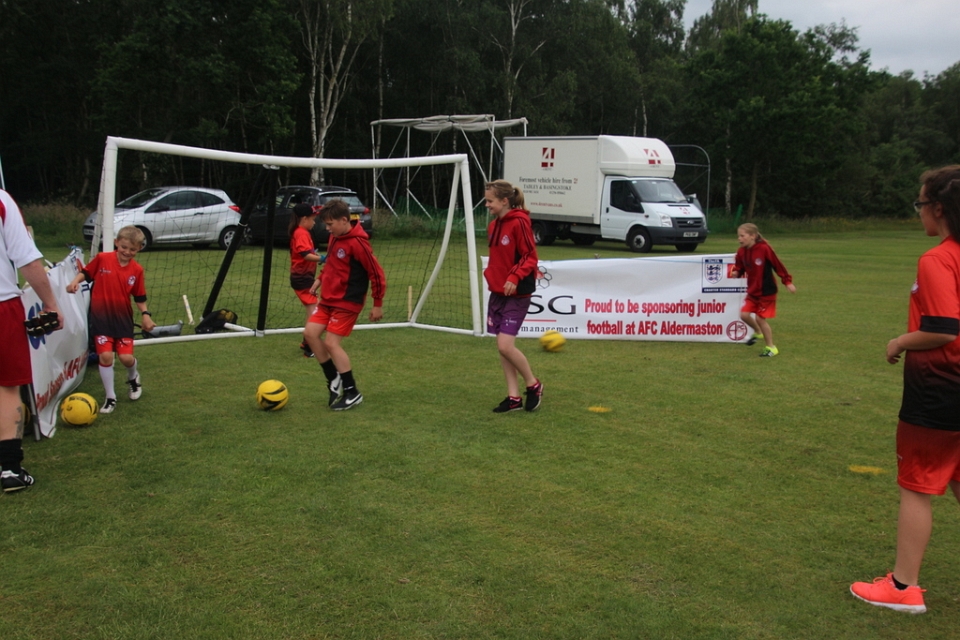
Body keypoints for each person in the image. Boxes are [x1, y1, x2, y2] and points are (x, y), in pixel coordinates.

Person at [850, 165, 960, 614]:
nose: (919, 212)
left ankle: (902, 587)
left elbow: (942, 328)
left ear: (940, 208)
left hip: (939, 391)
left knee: (917, 486)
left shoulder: (938, 259)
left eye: (921, 204)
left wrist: (899, 341)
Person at [0, 189, 63, 492]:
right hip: (2, 305)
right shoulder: (2, 200)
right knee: (6, 387)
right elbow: (27, 259)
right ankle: (10, 469)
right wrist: (51, 304)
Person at [303, 200, 386, 411]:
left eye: (330, 224)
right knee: (310, 334)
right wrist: (320, 279)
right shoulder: (335, 237)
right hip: (329, 299)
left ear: (343, 220)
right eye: (325, 224)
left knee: (331, 343)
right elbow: (332, 263)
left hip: (347, 302)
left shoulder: (358, 244)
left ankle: (352, 392)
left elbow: (377, 274)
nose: (327, 229)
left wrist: (377, 304)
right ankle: (333, 377)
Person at [67, 225, 155, 414]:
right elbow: (86, 273)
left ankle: (133, 377)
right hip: (101, 318)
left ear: (139, 249)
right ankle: (110, 398)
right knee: (106, 356)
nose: (127, 252)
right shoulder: (102, 259)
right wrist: (74, 282)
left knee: (125, 358)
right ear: (116, 243)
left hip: (122, 319)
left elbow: (139, 296)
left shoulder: (137, 270)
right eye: (124, 247)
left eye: (132, 249)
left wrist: (146, 315)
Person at [483, 179, 543, 413]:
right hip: (497, 293)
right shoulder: (492, 226)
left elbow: (530, 256)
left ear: (504, 201)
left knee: (505, 345)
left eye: (490, 201)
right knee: (502, 348)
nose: (487, 205)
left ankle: (533, 384)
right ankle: (513, 397)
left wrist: (514, 277)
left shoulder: (520, 223)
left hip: (517, 294)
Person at [730, 223, 797, 356]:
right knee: (744, 315)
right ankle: (758, 332)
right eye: (738, 236)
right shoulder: (741, 251)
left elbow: (777, 265)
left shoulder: (764, 249)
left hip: (767, 291)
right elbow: (740, 266)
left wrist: (787, 281)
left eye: (742, 236)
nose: (739, 239)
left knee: (760, 319)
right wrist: (736, 272)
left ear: (752, 236)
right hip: (753, 291)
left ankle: (771, 347)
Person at [289, 203, 324, 358]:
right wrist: (323, 258)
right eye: (312, 219)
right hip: (302, 278)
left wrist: (318, 257)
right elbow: (305, 255)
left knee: (312, 311)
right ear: (304, 219)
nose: (314, 222)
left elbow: (308, 253)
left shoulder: (301, 232)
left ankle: (306, 342)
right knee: (316, 312)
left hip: (304, 277)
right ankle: (310, 346)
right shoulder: (301, 233)